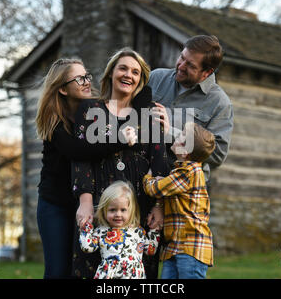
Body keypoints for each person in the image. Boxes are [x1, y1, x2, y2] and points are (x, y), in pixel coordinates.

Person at [71, 47, 170, 279]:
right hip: (99, 201)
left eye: (135, 72)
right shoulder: (91, 109)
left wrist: (159, 205)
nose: (128, 75)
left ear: (140, 80)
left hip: (138, 206)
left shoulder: (149, 113)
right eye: (123, 68)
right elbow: (81, 157)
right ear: (111, 73)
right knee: (89, 266)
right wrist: (85, 202)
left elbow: (160, 162)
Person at [35, 58, 126, 278]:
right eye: (79, 79)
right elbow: (79, 150)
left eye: (86, 76)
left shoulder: (98, 110)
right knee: (58, 271)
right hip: (55, 205)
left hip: (88, 202)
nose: (86, 82)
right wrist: (119, 139)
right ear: (63, 89)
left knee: (84, 270)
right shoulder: (54, 120)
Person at [148, 35, 234, 187]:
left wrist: (170, 133)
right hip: (143, 176)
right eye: (182, 57)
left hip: (182, 190)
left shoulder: (220, 103)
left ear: (207, 72)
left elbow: (218, 154)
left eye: (191, 65)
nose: (181, 66)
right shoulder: (156, 77)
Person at [143, 122, 215, 279]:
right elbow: (168, 186)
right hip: (174, 247)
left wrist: (148, 177)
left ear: (186, 151)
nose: (177, 136)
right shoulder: (180, 172)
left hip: (191, 248)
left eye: (182, 135)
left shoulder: (188, 172)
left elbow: (155, 189)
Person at [79, 181, 160, 279]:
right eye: (112, 210)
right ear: (104, 210)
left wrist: (155, 230)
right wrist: (86, 227)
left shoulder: (137, 230)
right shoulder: (102, 230)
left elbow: (150, 250)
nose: (118, 214)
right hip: (109, 275)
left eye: (123, 210)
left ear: (131, 211)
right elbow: (87, 247)